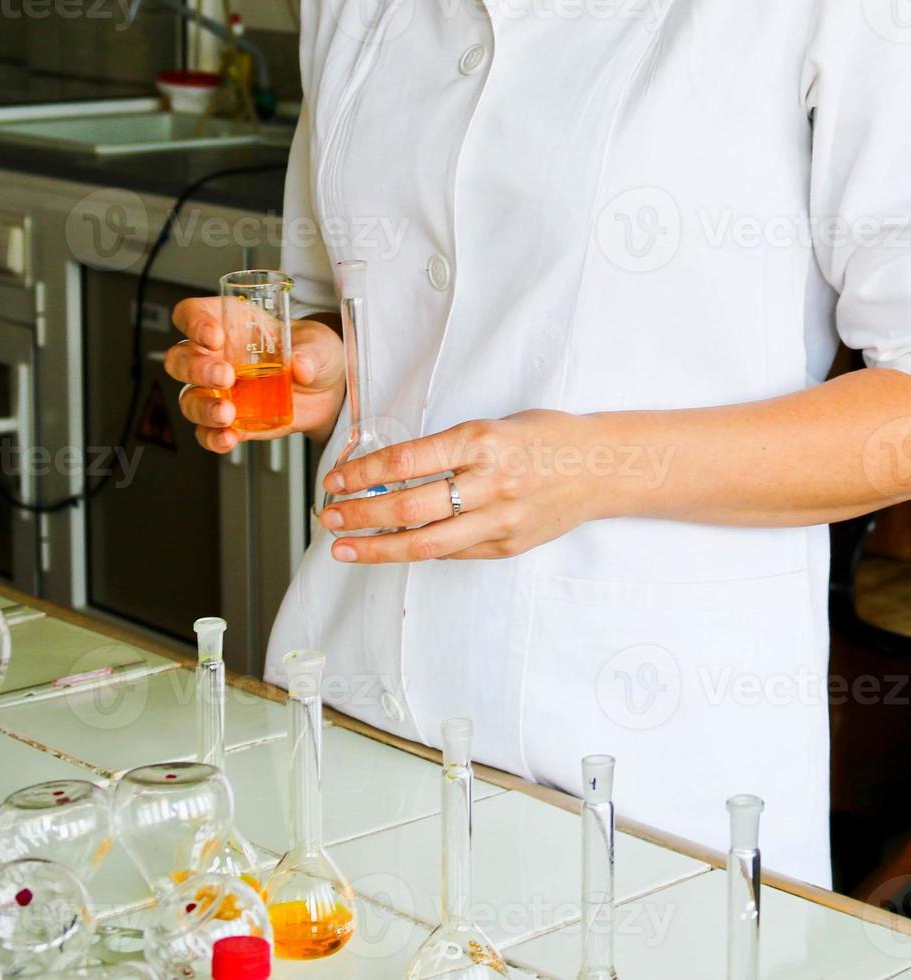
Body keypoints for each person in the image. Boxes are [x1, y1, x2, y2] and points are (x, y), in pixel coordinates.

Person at [162, 0, 911, 887]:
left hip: (644, 746)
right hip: (349, 691)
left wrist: (592, 469)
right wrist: (327, 359)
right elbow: (377, 303)